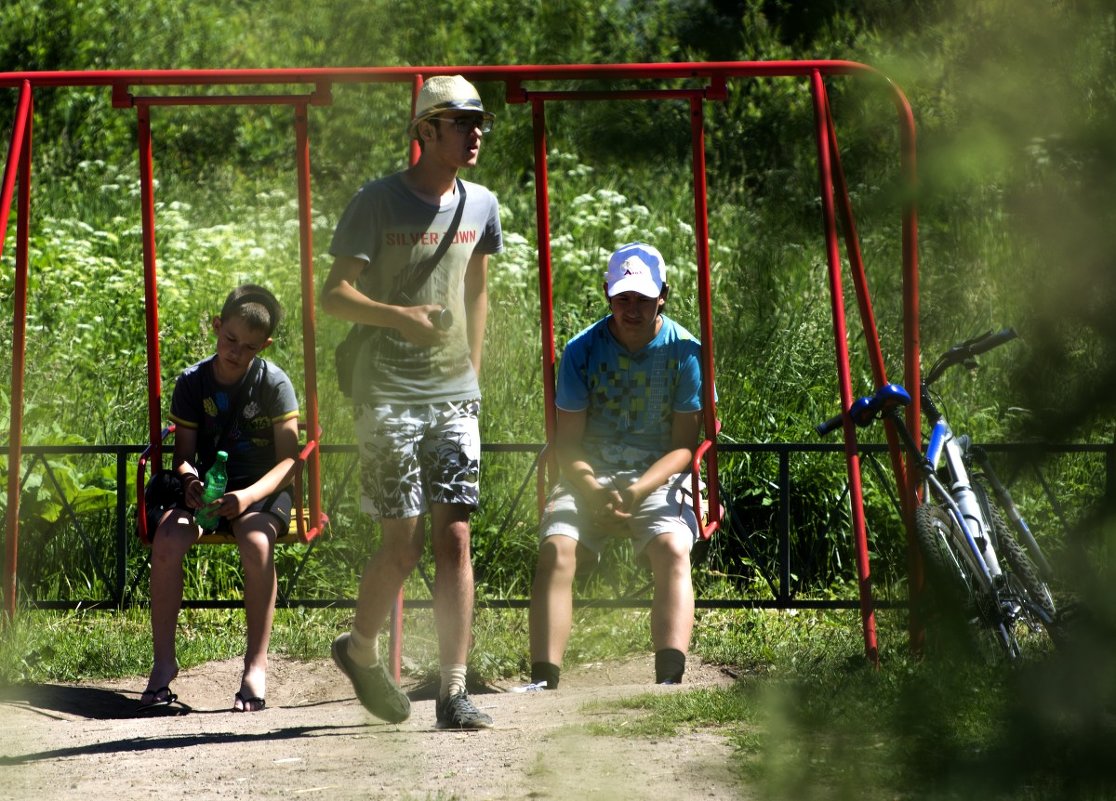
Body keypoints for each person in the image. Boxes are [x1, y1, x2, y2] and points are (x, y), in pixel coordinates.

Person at [321, 74, 502, 729]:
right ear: (425, 131)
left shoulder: (481, 204)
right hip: (387, 394)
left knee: (454, 536)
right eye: (461, 122)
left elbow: (476, 291)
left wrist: (472, 374)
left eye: (479, 121)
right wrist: (401, 318)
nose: (475, 132)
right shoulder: (376, 202)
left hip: (454, 396)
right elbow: (333, 295)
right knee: (402, 545)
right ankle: (360, 650)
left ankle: (453, 692)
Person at [526, 242, 709, 690]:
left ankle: (669, 675)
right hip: (590, 471)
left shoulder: (686, 351)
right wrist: (591, 489)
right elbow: (566, 444)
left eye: (643, 299)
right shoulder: (581, 350)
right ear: (607, 293)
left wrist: (636, 491)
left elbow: (685, 446)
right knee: (556, 551)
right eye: (623, 298)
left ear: (663, 294)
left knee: (672, 548)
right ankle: (544, 678)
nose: (632, 309)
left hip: (658, 473)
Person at [140, 284, 299, 713]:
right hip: (207, 493)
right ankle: (163, 665)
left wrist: (247, 497)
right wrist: (190, 481)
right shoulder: (193, 382)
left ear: (263, 346)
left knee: (257, 543)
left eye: (247, 348)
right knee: (168, 540)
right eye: (229, 340)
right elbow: (184, 457)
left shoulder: (274, 383)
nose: (234, 352)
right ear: (217, 327)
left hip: (260, 488)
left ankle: (255, 666)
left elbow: (290, 462)